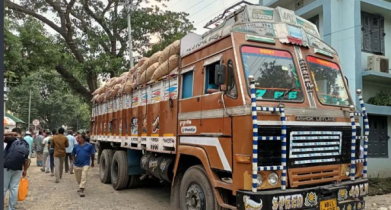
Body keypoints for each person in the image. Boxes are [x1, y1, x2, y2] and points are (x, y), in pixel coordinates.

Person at [4, 128, 30, 210]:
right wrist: (25, 170)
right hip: (18, 168)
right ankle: (11, 208)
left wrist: (9, 133)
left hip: (6, 167)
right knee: (14, 188)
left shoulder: (11, 139)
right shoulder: (25, 143)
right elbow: (27, 160)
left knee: (3, 188)